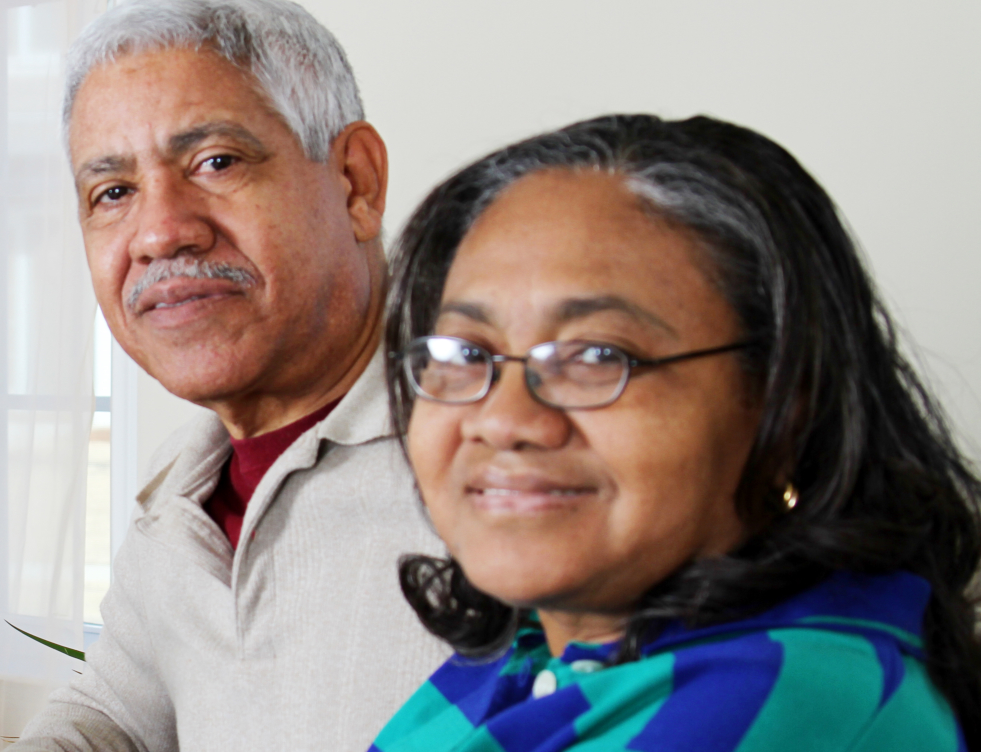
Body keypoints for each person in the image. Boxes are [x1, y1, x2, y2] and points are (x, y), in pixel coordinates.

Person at [373, 114, 980, 751]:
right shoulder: (525, 659)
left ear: (781, 406)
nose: (504, 421)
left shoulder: (784, 708)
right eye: (466, 354)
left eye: (597, 356)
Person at [13, 0, 448, 751]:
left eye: (215, 161)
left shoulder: (499, 451)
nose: (159, 233)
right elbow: (116, 710)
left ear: (357, 182)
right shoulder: (184, 486)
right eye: (113, 191)